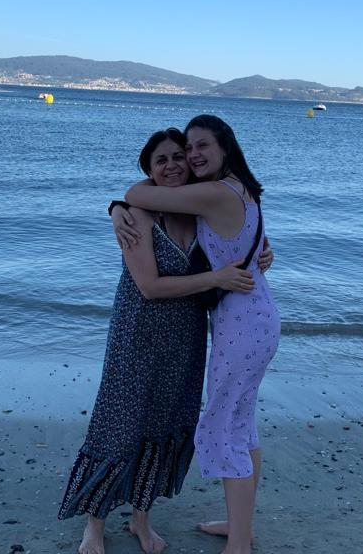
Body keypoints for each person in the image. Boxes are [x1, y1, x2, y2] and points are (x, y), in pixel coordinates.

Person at [58, 128, 272, 554]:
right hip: (137, 334)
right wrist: (118, 206)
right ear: (148, 169)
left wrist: (266, 252)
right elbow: (151, 286)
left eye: (181, 155)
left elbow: (243, 238)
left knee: (165, 427)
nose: (174, 164)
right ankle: (94, 526)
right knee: (118, 424)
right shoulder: (138, 215)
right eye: (162, 160)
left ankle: (141, 518)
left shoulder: (197, 209)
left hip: (188, 335)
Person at [123, 115, 281, 554]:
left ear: (225, 148)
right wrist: (119, 210)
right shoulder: (243, 190)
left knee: (226, 430)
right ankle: (240, 530)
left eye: (201, 147)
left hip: (241, 324)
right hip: (256, 317)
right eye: (188, 148)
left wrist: (120, 207)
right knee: (241, 427)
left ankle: (239, 547)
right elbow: (256, 247)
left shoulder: (214, 192)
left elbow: (138, 192)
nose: (192, 155)